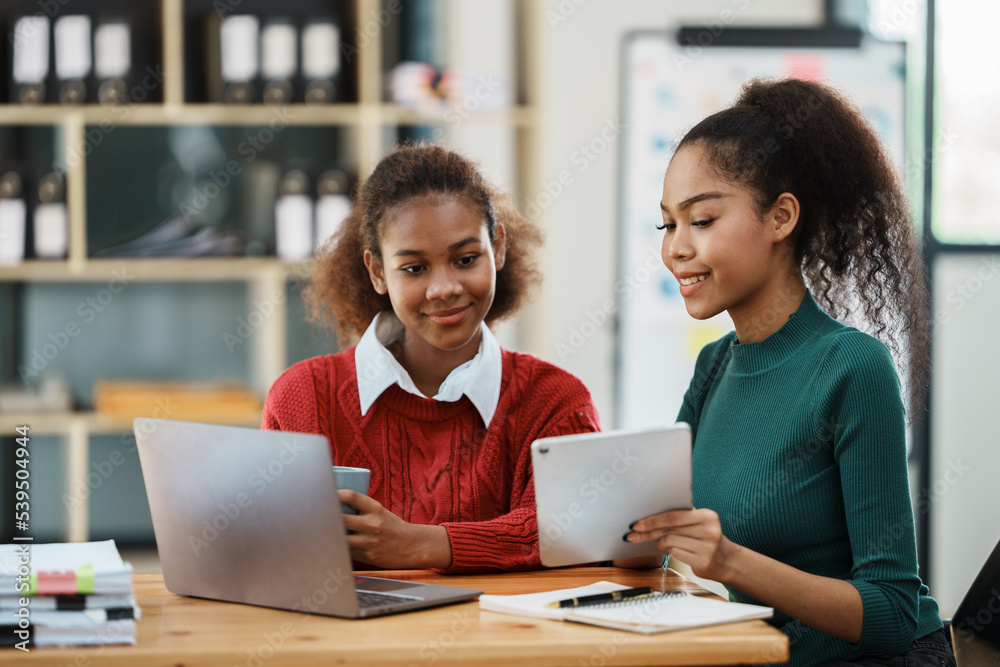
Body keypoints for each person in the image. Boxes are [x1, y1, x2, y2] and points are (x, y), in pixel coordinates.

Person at [623, 78, 955, 666]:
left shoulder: (853, 367)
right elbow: (669, 538)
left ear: (780, 217)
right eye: (666, 224)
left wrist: (727, 561)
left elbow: (893, 612)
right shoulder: (714, 366)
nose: (675, 247)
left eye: (701, 220)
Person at [262, 143, 602, 574]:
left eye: (465, 259)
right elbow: (275, 554)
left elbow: (572, 532)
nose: (444, 288)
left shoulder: (554, 400)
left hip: (506, 642)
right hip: (354, 641)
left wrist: (420, 545)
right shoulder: (303, 397)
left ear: (497, 248)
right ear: (377, 272)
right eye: (414, 268)